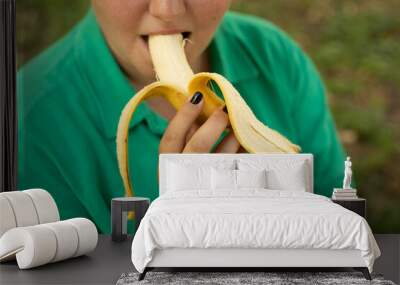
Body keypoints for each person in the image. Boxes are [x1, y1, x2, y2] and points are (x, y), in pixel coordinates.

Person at [17, 0, 346, 233]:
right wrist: (179, 230)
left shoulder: (276, 58)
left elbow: (340, 220)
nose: (167, 9)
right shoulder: (26, 125)